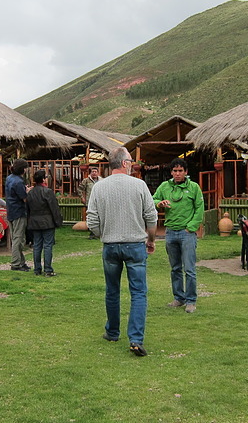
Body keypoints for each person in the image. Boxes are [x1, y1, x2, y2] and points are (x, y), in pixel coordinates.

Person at [87, 147, 157, 357]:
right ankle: (135, 338)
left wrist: (104, 235)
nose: (133, 165)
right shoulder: (139, 185)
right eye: (131, 162)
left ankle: (112, 331)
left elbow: (92, 219)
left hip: (110, 245)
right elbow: (151, 217)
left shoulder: (99, 187)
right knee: (138, 292)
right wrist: (151, 239)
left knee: (112, 290)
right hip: (135, 244)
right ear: (125, 163)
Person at [152, 157, 204, 313]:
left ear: (186, 172)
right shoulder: (164, 186)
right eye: (175, 171)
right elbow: (153, 199)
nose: (177, 173)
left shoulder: (194, 187)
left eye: (180, 171)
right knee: (175, 268)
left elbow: (199, 209)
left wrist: (191, 227)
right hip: (170, 233)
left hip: (187, 233)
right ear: (171, 172)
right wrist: (159, 204)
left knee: (189, 268)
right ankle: (178, 298)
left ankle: (191, 301)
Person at [26, 169, 63, 276]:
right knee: (47, 245)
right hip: (47, 222)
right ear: (43, 179)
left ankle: (37, 269)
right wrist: (58, 221)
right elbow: (54, 208)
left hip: (34, 222)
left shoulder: (30, 193)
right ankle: (48, 270)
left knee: (37, 245)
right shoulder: (48, 192)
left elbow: (27, 208)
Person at [5, 159, 31, 271]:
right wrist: (28, 191)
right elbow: (24, 198)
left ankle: (21, 262)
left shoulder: (9, 178)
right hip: (19, 211)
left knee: (15, 237)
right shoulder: (19, 182)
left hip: (10, 210)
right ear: (23, 169)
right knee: (18, 239)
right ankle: (15, 263)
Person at [79, 166, 101, 239]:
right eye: (93, 172)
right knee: (91, 217)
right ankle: (92, 233)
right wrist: (82, 197)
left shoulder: (102, 180)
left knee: (100, 217)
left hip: (100, 202)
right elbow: (80, 189)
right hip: (90, 201)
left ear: (98, 173)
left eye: (95, 172)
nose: (94, 173)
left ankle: (99, 233)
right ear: (90, 173)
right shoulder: (86, 180)